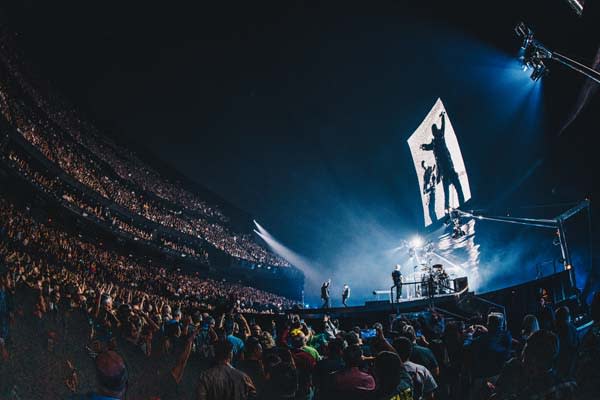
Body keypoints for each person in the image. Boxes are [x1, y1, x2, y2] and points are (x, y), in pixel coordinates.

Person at [420, 111, 465, 210]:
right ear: (433, 133)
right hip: (444, 171)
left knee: (458, 188)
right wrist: (423, 147)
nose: (435, 132)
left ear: (436, 131)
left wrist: (443, 116)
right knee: (447, 192)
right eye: (434, 131)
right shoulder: (435, 143)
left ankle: (463, 205)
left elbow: (443, 126)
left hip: (449, 168)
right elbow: (428, 146)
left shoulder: (441, 136)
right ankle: (447, 208)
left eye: (435, 130)